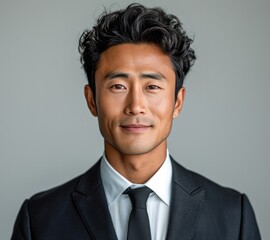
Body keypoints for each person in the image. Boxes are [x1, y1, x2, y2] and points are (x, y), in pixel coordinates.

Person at [11, 3, 261, 240]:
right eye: (118, 86)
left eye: (152, 86)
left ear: (177, 102)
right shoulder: (39, 220)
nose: (135, 106)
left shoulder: (232, 215)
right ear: (92, 100)